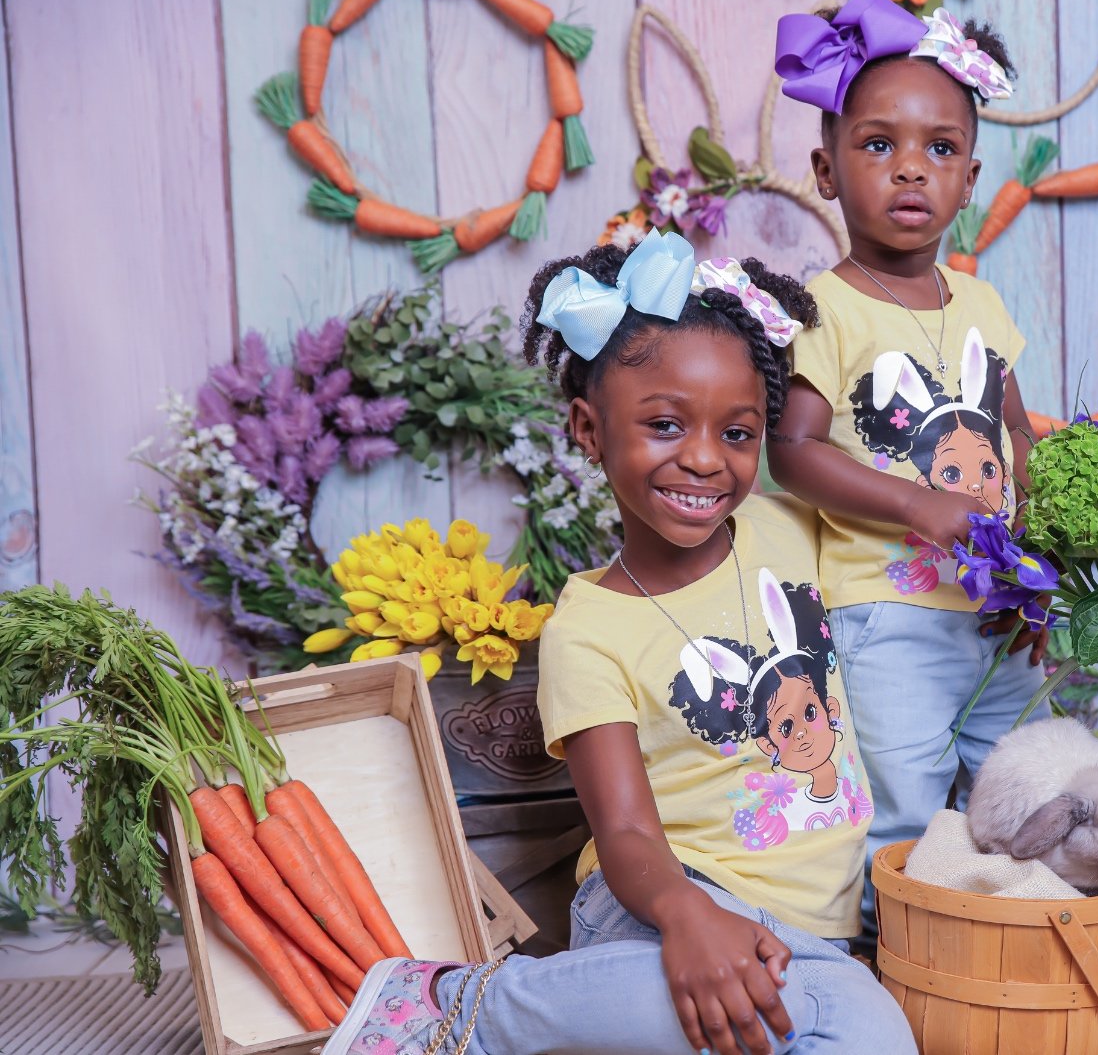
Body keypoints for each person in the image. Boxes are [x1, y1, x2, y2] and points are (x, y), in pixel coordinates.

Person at [324, 231, 915, 1055]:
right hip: (652, 903)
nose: (705, 459)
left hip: (818, 937)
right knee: (683, 994)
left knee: (875, 1036)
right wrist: (687, 916)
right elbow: (627, 833)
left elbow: (898, 596)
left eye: (738, 434)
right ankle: (454, 1006)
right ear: (589, 429)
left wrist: (1001, 590)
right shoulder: (589, 627)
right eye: (665, 424)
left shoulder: (790, 533)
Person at [766, 0, 1051, 943]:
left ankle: (1007, 953)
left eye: (938, 149)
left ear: (969, 178)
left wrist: (1045, 577)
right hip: (885, 612)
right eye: (877, 144)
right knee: (903, 796)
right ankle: (889, 964)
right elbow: (792, 450)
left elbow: (1017, 441)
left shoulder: (979, 302)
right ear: (825, 169)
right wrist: (912, 503)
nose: (909, 171)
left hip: (997, 613)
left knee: (1020, 784)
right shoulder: (826, 306)